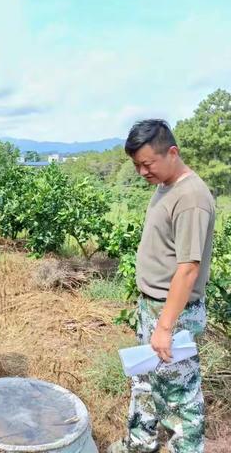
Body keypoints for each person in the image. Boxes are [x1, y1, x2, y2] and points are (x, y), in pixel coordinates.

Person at [108, 120, 215, 453]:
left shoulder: (191, 197)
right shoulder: (166, 184)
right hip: (153, 306)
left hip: (173, 312)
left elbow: (188, 269)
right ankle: (140, 445)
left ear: (172, 152)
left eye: (147, 163)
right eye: (136, 165)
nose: (142, 171)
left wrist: (165, 327)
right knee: (145, 382)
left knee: (181, 398)